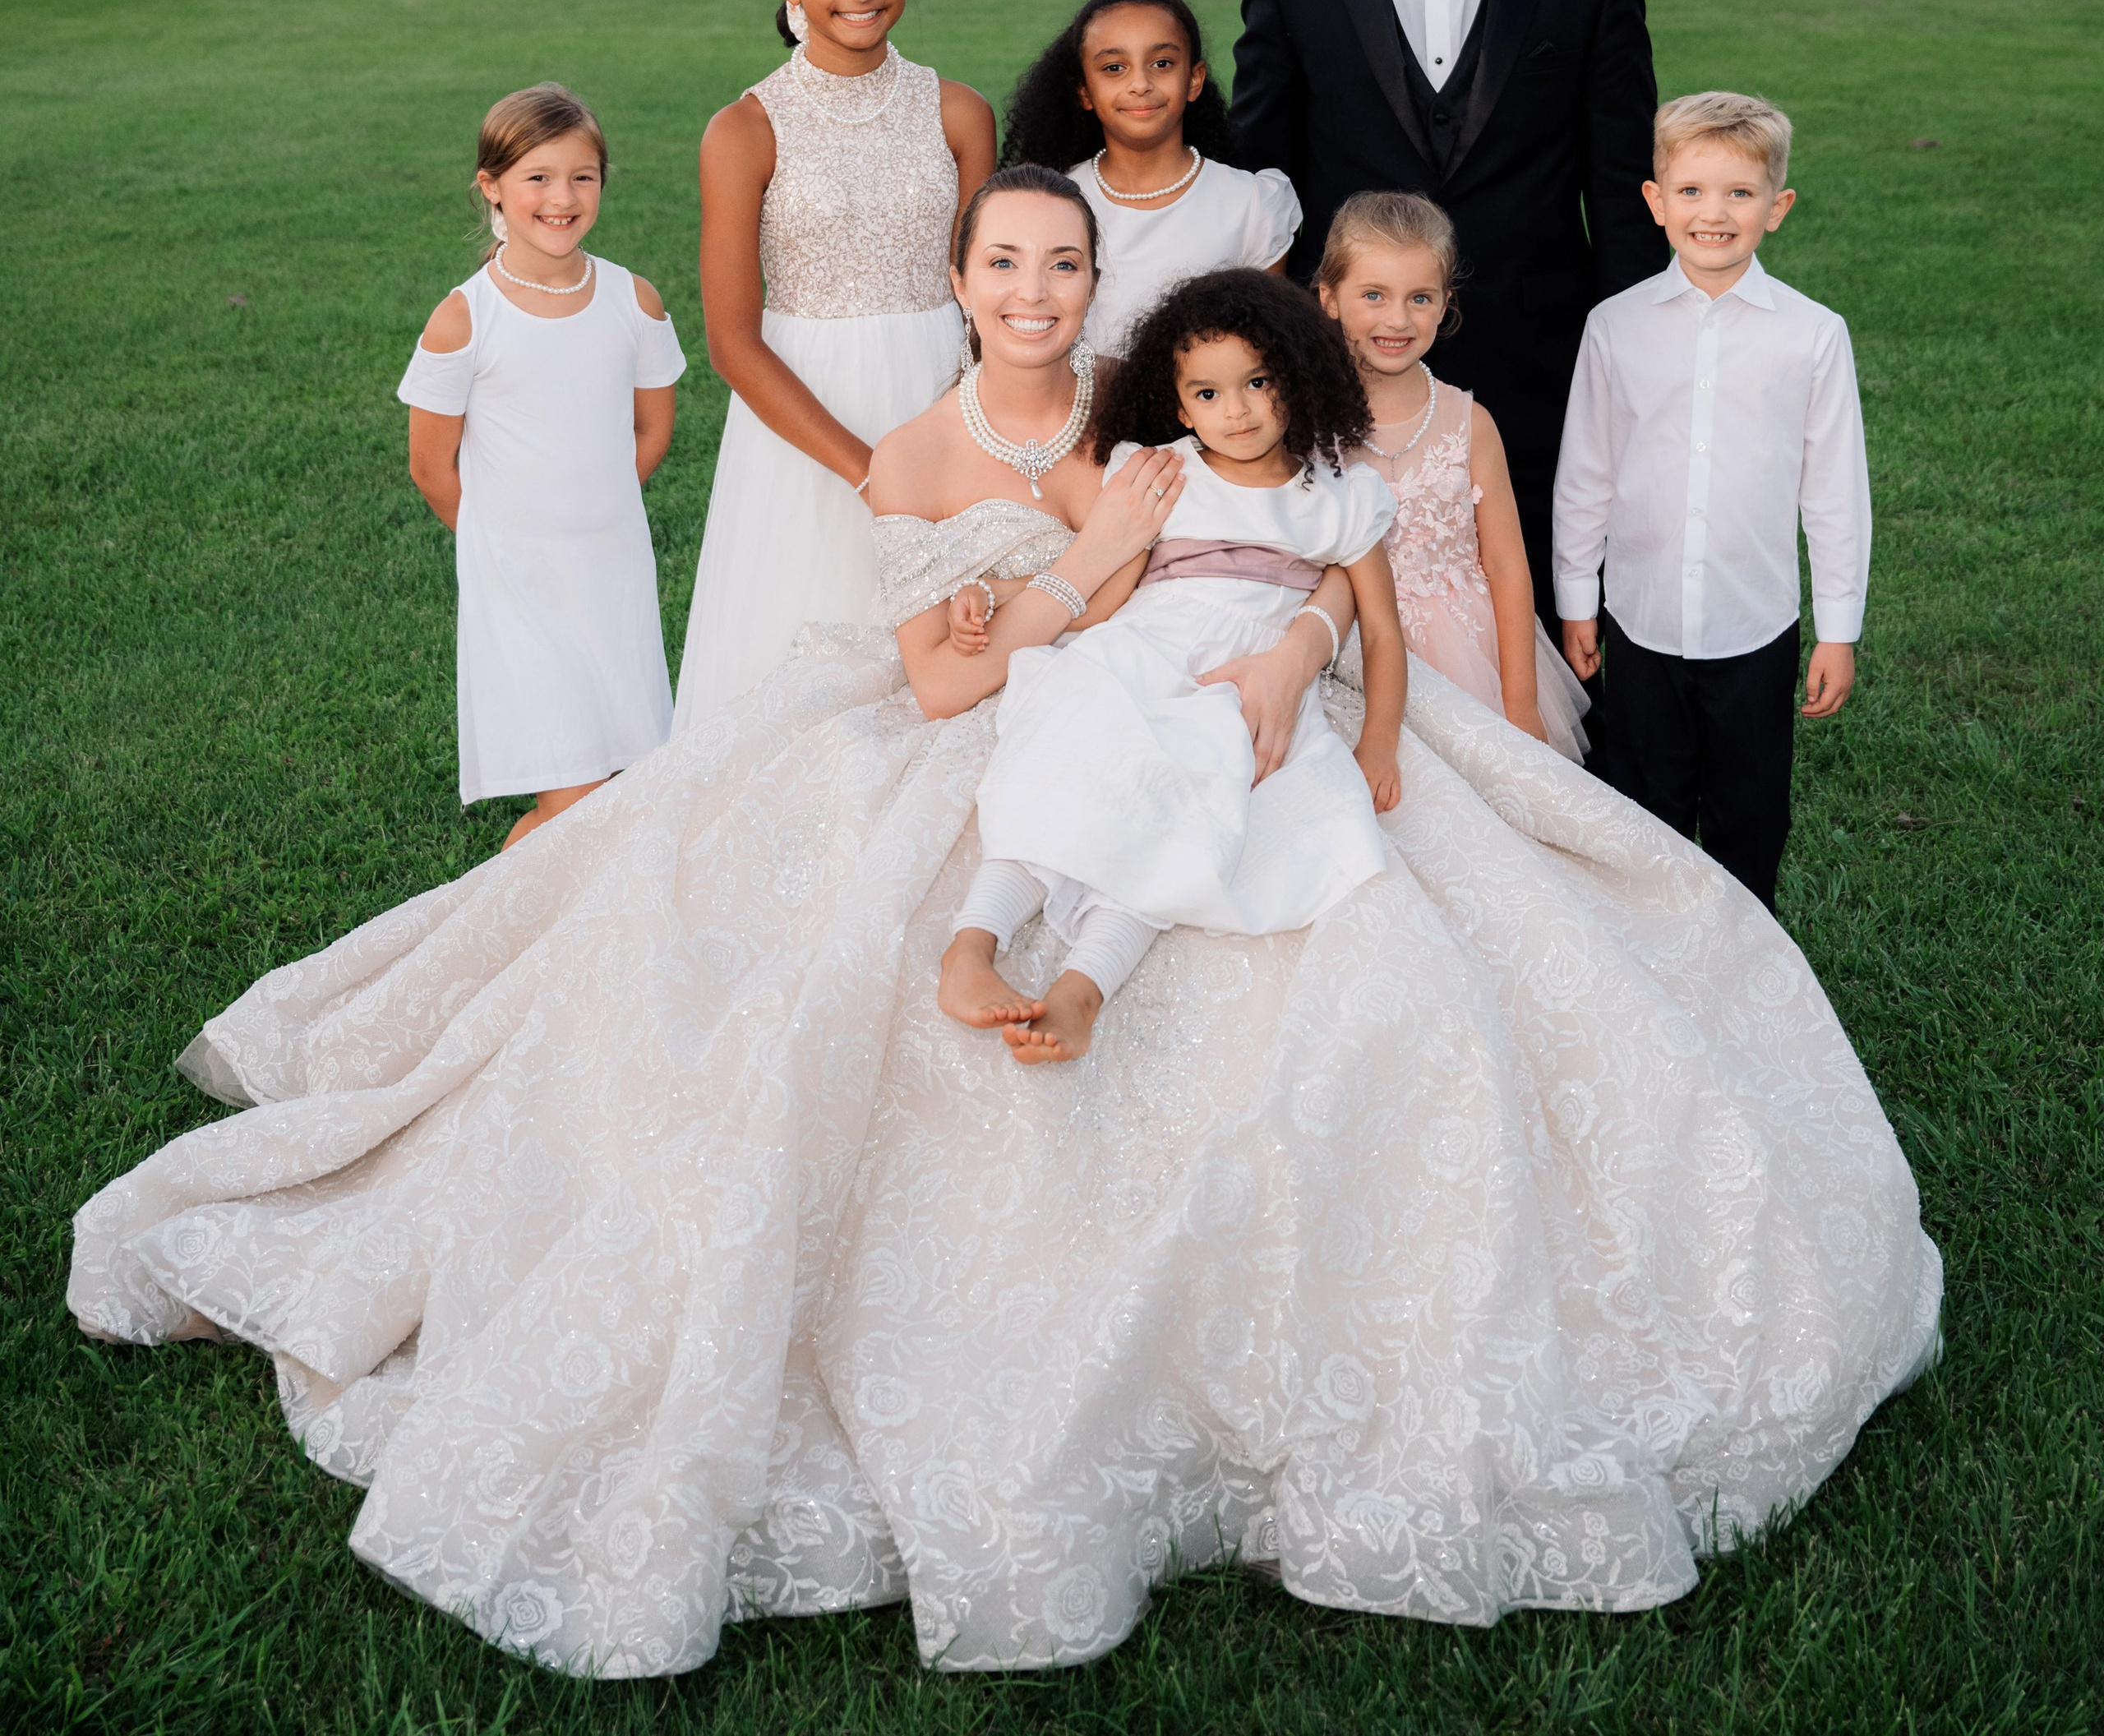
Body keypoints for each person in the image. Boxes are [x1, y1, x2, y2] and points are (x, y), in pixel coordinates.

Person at [73, 169, 1937, 1680]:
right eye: (1005, 263)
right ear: (962, 284)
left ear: (1103, 295)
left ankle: (1110, 985)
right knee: (944, 867)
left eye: (1062, 263)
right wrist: (1033, 610)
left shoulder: (1191, 437)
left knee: (1386, 935)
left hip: (1216, 697)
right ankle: (997, 951)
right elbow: (985, 648)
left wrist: (1308, 650)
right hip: (1033, 701)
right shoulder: (942, 453)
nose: (1035, 290)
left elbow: (1319, 569)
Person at [1228, 0, 1666, 600]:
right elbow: (1264, 187)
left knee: (1540, 606)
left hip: (1539, 367)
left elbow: (1624, 192)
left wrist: (1630, 364)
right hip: (1349, 368)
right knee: (1348, 604)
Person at [940, 265, 1406, 1064]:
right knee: (1071, 758)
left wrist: (1380, 742)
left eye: (1258, 382)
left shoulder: (1338, 496)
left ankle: (1084, 986)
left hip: (1241, 675)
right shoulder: (1164, 472)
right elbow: (1104, 591)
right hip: (1145, 645)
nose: (1238, 410)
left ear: (1295, 374)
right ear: (1181, 404)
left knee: (1190, 805)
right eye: (1208, 393)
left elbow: (1384, 630)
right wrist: (995, 592)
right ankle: (971, 945)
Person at [673, 0, 995, 728]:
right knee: (800, 667)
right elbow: (731, 342)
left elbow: (985, 303)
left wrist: (968, 446)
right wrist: (869, 471)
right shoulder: (744, 129)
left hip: (938, 403)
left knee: (946, 666)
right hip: (802, 424)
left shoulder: (959, 113)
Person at [1553, 90, 1871, 914]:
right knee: (1643, 814)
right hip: (1641, 621)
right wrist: (1578, 599)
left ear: (1777, 207)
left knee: (1749, 816)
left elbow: (1834, 493)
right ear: (1655, 200)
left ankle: (1747, 962)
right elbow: (1586, 473)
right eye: (1691, 190)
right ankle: (1655, 960)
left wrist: (1838, 628)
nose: (1714, 213)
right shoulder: (1615, 326)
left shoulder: (1812, 334)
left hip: (1753, 626)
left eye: (1740, 192)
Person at [399, 83, 685, 847]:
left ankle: (561, 912)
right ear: (491, 186)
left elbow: (652, 428)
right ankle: (496, 909)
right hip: (519, 580)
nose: (562, 197)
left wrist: (594, 506)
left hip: (612, 572)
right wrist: (501, 538)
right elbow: (431, 465)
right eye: (538, 177)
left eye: (582, 176)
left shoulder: (634, 301)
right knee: (575, 792)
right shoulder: (465, 317)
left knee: (622, 780)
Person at [1317, 189, 1589, 761]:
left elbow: (1508, 567)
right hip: (1352, 652)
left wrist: (1521, 702)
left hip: (1469, 656)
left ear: (1445, 304)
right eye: (1373, 294)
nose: (1398, 319)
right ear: (1330, 297)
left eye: (1420, 297)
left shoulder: (1470, 423)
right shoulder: (1308, 423)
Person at [1002, 0, 1298, 353]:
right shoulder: (1052, 202)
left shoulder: (1252, 204)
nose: (1140, 84)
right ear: (1084, 91)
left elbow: (1268, 346)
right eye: (1114, 68)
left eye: (1161, 63)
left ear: (1194, 80)